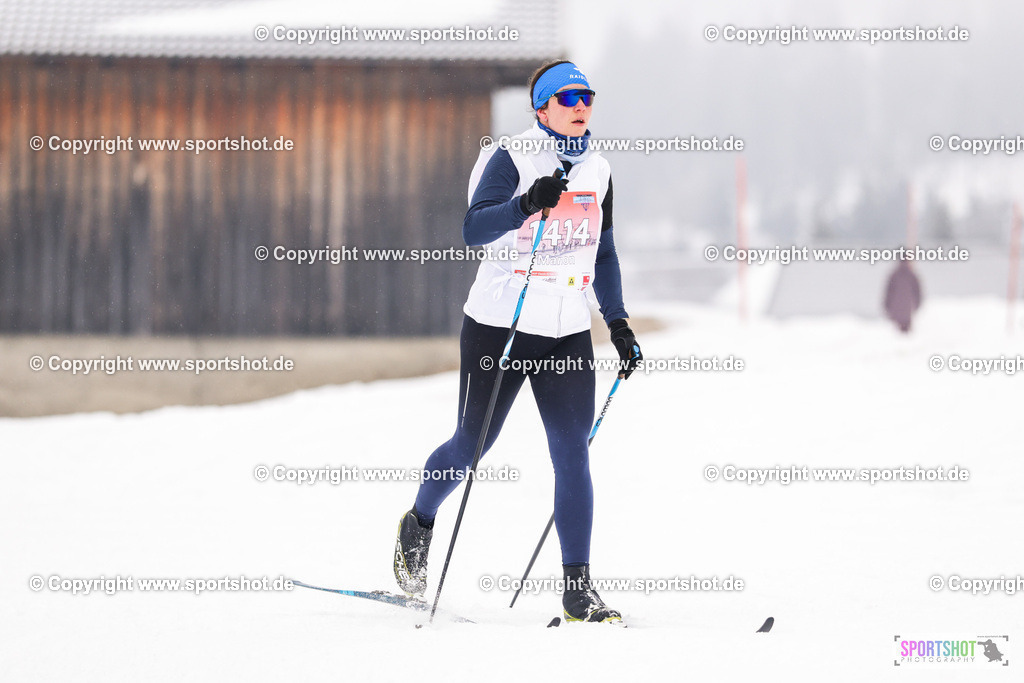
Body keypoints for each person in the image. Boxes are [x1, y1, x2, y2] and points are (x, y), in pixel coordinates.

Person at [392, 60, 642, 624]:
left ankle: (578, 590)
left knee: (572, 450)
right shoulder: (510, 157)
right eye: (568, 98)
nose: (581, 106)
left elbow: (601, 252)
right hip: (500, 323)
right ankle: (419, 522)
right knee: (471, 448)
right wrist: (525, 203)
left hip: (566, 328)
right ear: (542, 108)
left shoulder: (598, 169)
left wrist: (619, 323)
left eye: (588, 98)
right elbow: (473, 228)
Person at [884, 257, 922, 333]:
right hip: (908, 312)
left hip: (895, 313)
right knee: (907, 338)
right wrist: (916, 306)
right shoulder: (912, 275)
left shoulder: (894, 275)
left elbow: (888, 293)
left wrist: (887, 307)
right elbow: (917, 293)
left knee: (896, 336)